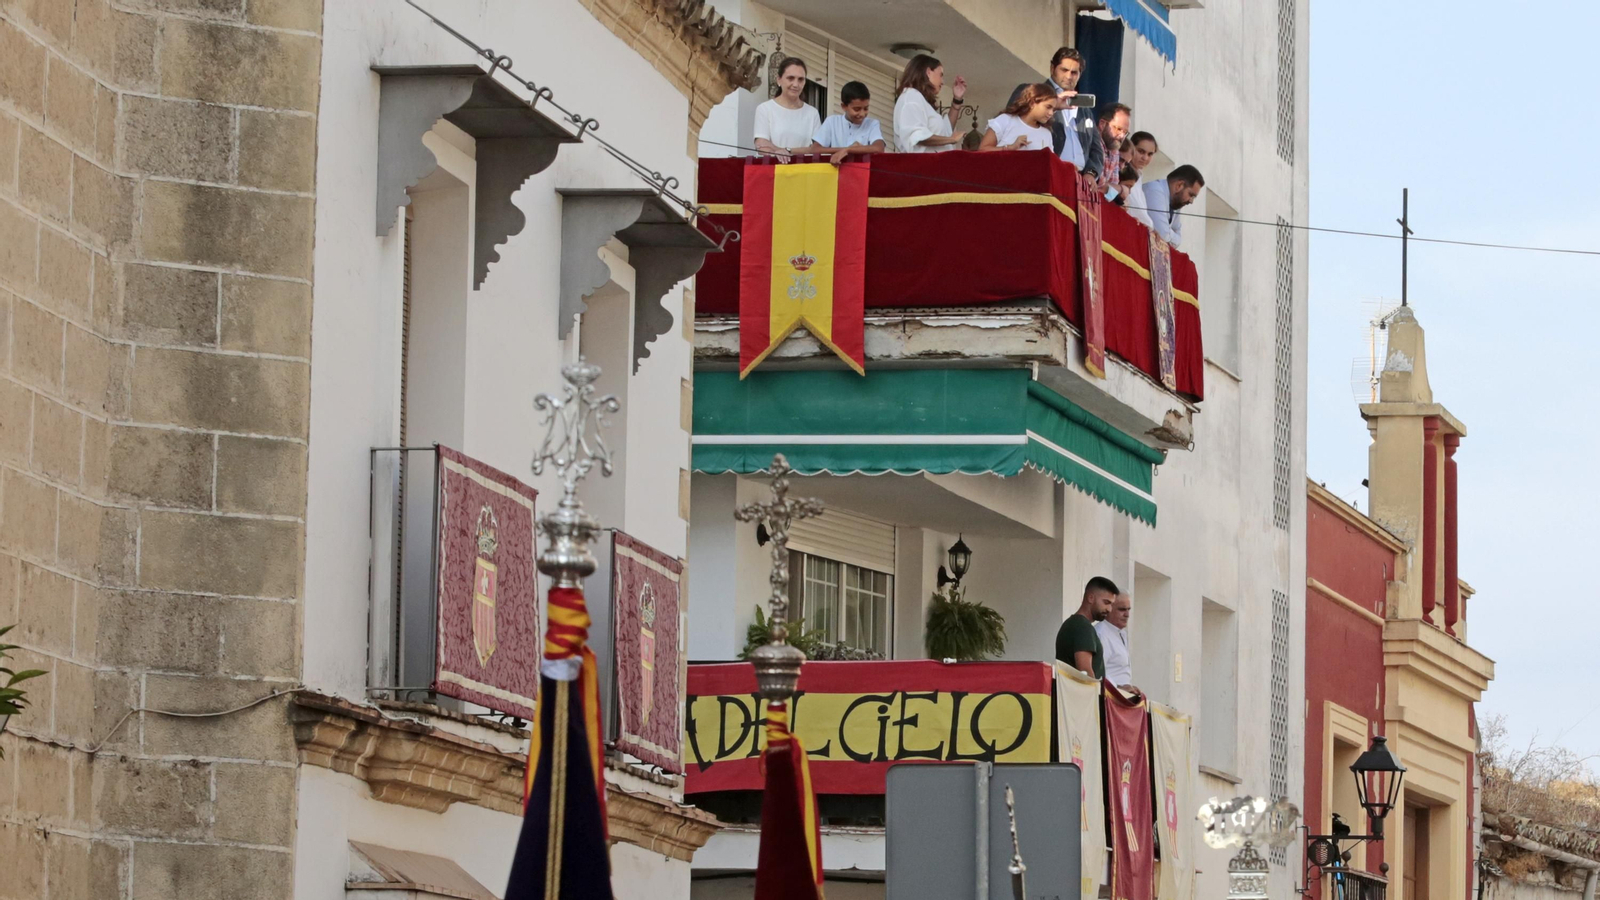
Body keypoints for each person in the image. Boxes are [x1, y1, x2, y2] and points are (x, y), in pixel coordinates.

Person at [1008, 47, 1096, 172]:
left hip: (1077, 180)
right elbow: (1014, 119)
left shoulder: (1085, 110)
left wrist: (1091, 173)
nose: (1069, 76)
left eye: (1074, 72)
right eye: (1064, 70)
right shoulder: (1029, 91)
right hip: (1043, 172)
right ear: (1052, 68)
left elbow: (1096, 149)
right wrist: (1053, 104)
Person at [893, 53, 967, 153]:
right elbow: (917, 136)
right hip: (920, 166)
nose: (942, 81)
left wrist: (957, 100)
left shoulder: (919, 99)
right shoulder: (911, 96)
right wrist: (951, 140)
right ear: (928, 72)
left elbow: (946, 131)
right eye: (941, 75)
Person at [753, 56, 821, 160]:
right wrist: (778, 152)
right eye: (790, 78)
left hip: (803, 170)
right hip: (774, 170)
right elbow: (761, 144)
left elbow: (816, 149)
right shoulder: (765, 109)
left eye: (800, 79)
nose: (795, 84)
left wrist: (785, 151)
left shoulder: (812, 113)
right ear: (779, 80)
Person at [1055, 576, 1119, 680]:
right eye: (1106, 603)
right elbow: (1085, 673)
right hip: (1080, 695)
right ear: (1090, 598)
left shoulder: (1071, 624)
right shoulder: (1083, 627)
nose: (1109, 609)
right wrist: (1094, 694)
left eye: (1111, 604)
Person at [809, 81, 887, 164]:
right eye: (857, 109)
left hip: (862, 174)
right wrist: (853, 150)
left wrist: (848, 150)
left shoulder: (872, 124)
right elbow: (815, 149)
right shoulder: (832, 122)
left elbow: (879, 148)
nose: (862, 114)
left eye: (866, 109)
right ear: (844, 106)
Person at [978, 83, 1057, 152]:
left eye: (1053, 109)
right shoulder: (1005, 120)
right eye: (1048, 107)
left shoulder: (1046, 134)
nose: (1051, 113)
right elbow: (982, 150)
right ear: (1032, 103)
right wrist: (1009, 148)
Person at [1141, 164, 1205, 248]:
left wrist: (1168, 233)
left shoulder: (1175, 202)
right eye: (1191, 195)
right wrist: (1168, 233)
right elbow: (1163, 235)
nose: (1191, 201)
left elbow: (1177, 238)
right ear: (1179, 185)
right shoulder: (1155, 190)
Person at [1094, 594, 1134, 688]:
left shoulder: (1122, 633)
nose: (1127, 615)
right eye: (1122, 609)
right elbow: (1098, 671)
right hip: (1109, 696)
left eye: (1128, 609)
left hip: (1122, 696)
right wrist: (1118, 687)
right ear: (1109, 609)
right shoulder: (1101, 633)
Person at [1091, 103, 1132, 191]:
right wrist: (1122, 189)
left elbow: (1110, 192)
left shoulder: (1114, 149)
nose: (1122, 136)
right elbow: (1100, 186)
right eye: (1119, 129)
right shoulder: (1092, 141)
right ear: (1102, 124)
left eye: (1125, 132)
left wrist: (1117, 190)